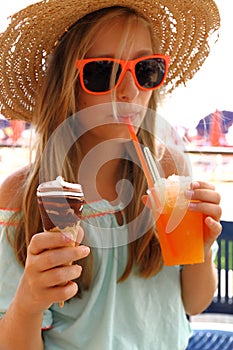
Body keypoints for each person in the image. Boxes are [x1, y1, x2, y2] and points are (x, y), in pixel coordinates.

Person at [0, 1, 222, 349]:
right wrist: (29, 302)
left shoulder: (170, 172)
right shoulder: (24, 197)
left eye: (145, 69)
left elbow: (193, 303)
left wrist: (203, 249)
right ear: (66, 85)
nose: (129, 91)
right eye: (102, 72)